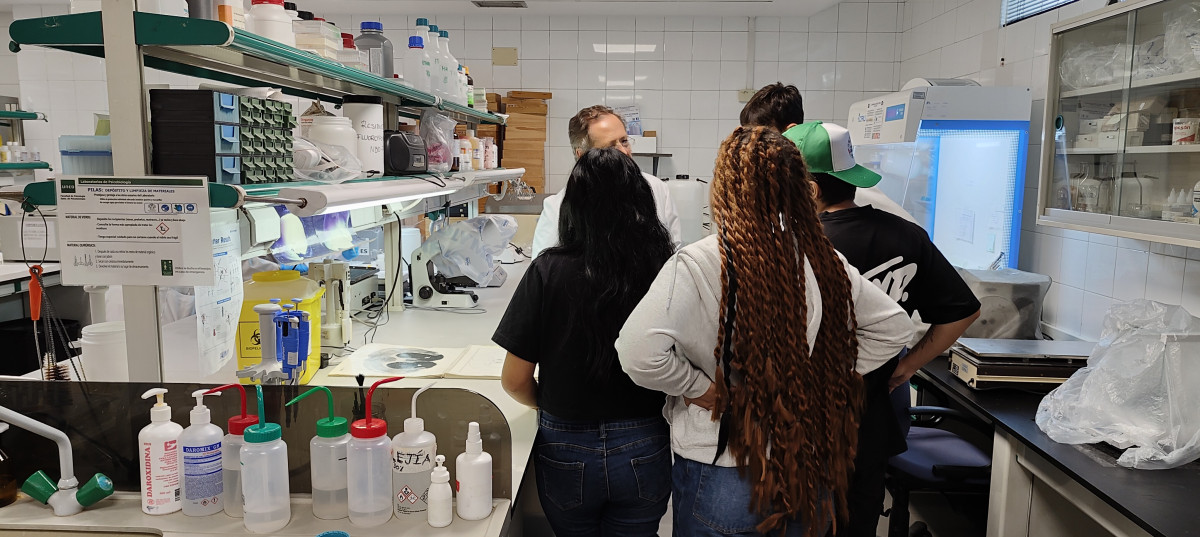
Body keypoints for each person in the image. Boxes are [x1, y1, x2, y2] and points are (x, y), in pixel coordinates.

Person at [615, 127, 914, 537]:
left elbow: (637, 351)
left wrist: (698, 388)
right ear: (798, 191)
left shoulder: (700, 262)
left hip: (725, 468)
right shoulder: (820, 257)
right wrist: (827, 375)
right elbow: (894, 327)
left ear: (723, 189)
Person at [785, 121, 983, 537]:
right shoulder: (907, 236)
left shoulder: (798, 245)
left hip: (803, 419)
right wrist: (907, 366)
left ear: (812, 190)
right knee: (859, 518)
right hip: (871, 415)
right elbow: (963, 312)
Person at [493, 147, 678, 536]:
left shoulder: (547, 270)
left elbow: (514, 380)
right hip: (644, 440)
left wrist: (548, 402)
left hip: (566, 443)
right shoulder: (664, 269)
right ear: (641, 203)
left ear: (573, 207)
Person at [739, 83, 917, 224]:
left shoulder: (841, 188)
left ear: (790, 131)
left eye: (761, 137)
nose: (755, 147)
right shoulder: (784, 182)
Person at [531, 105, 682, 257]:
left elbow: (673, 256)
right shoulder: (557, 207)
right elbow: (544, 265)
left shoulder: (657, 189)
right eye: (610, 148)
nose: (624, 152)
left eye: (624, 141)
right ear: (582, 156)